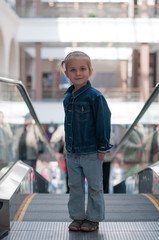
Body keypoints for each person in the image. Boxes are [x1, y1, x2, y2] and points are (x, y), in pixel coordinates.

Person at [61, 51, 112, 232]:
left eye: (82, 69)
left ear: (90, 71)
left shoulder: (95, 97)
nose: (78, 73)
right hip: (72, 153)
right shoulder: (68, 98)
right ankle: (77, 217)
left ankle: (93, 218)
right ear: (66, 73)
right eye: (73, 70)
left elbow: (103, 122)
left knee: (95, 187)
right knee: (74, 187)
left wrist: (102, 148)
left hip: (91, 152)